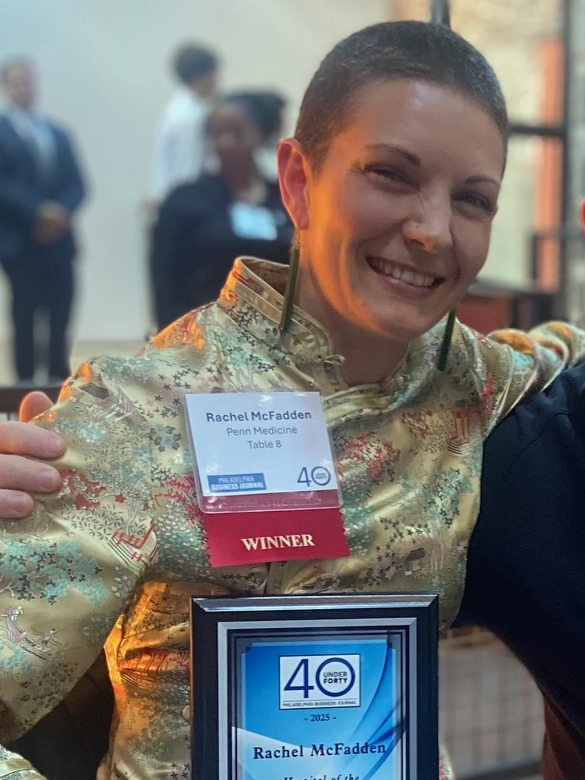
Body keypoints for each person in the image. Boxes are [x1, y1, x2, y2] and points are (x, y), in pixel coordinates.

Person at [0, 22, 584, 780]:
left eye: (470, 199)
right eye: (390, 175)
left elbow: (560, 346)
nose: (432, 230)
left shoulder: (471, 384)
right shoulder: (140, 412)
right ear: (299, 181)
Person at [152, 90, 293, 329]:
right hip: (200, 337)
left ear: (261, 135)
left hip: (272, 335)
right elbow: (164, 282)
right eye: (217, 134)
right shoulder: (185, 201)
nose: (225, 143)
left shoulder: (284, 201)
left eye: (237, 133)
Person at [0, 58, 86, 384]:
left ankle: (55, 380)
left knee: (61, 310)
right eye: (17, 81)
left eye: (29, 80)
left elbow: (79, 184)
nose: (25, 87)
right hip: (20, 241)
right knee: (25, 313)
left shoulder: (58, 133)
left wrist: (59, 213)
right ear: (6, 87)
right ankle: (24, 384)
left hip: (60, 240)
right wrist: (38, 211)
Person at [148, 43, 219, 209]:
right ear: (202, 76)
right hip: (184, 201)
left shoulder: (178, 109)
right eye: (214, 75)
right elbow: (188, 168)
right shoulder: (191, 116)